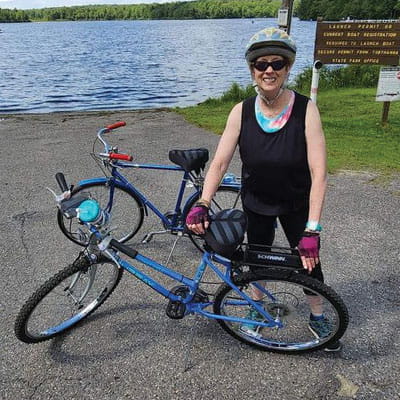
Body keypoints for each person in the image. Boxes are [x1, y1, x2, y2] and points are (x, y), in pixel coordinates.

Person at [186, 27, 341, 352]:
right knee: (256, 261)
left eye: (277, 63)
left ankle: (317, 316)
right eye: (261, 64)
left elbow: (319, 171)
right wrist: (202, 201)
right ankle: (257, 311)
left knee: (309, 262)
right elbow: (219, 163)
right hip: (256, 202)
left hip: (297, 202)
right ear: (252, 69)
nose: (269, 70)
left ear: (287, 68)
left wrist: (313, 227)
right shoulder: (241, 111)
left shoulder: (305, 109)